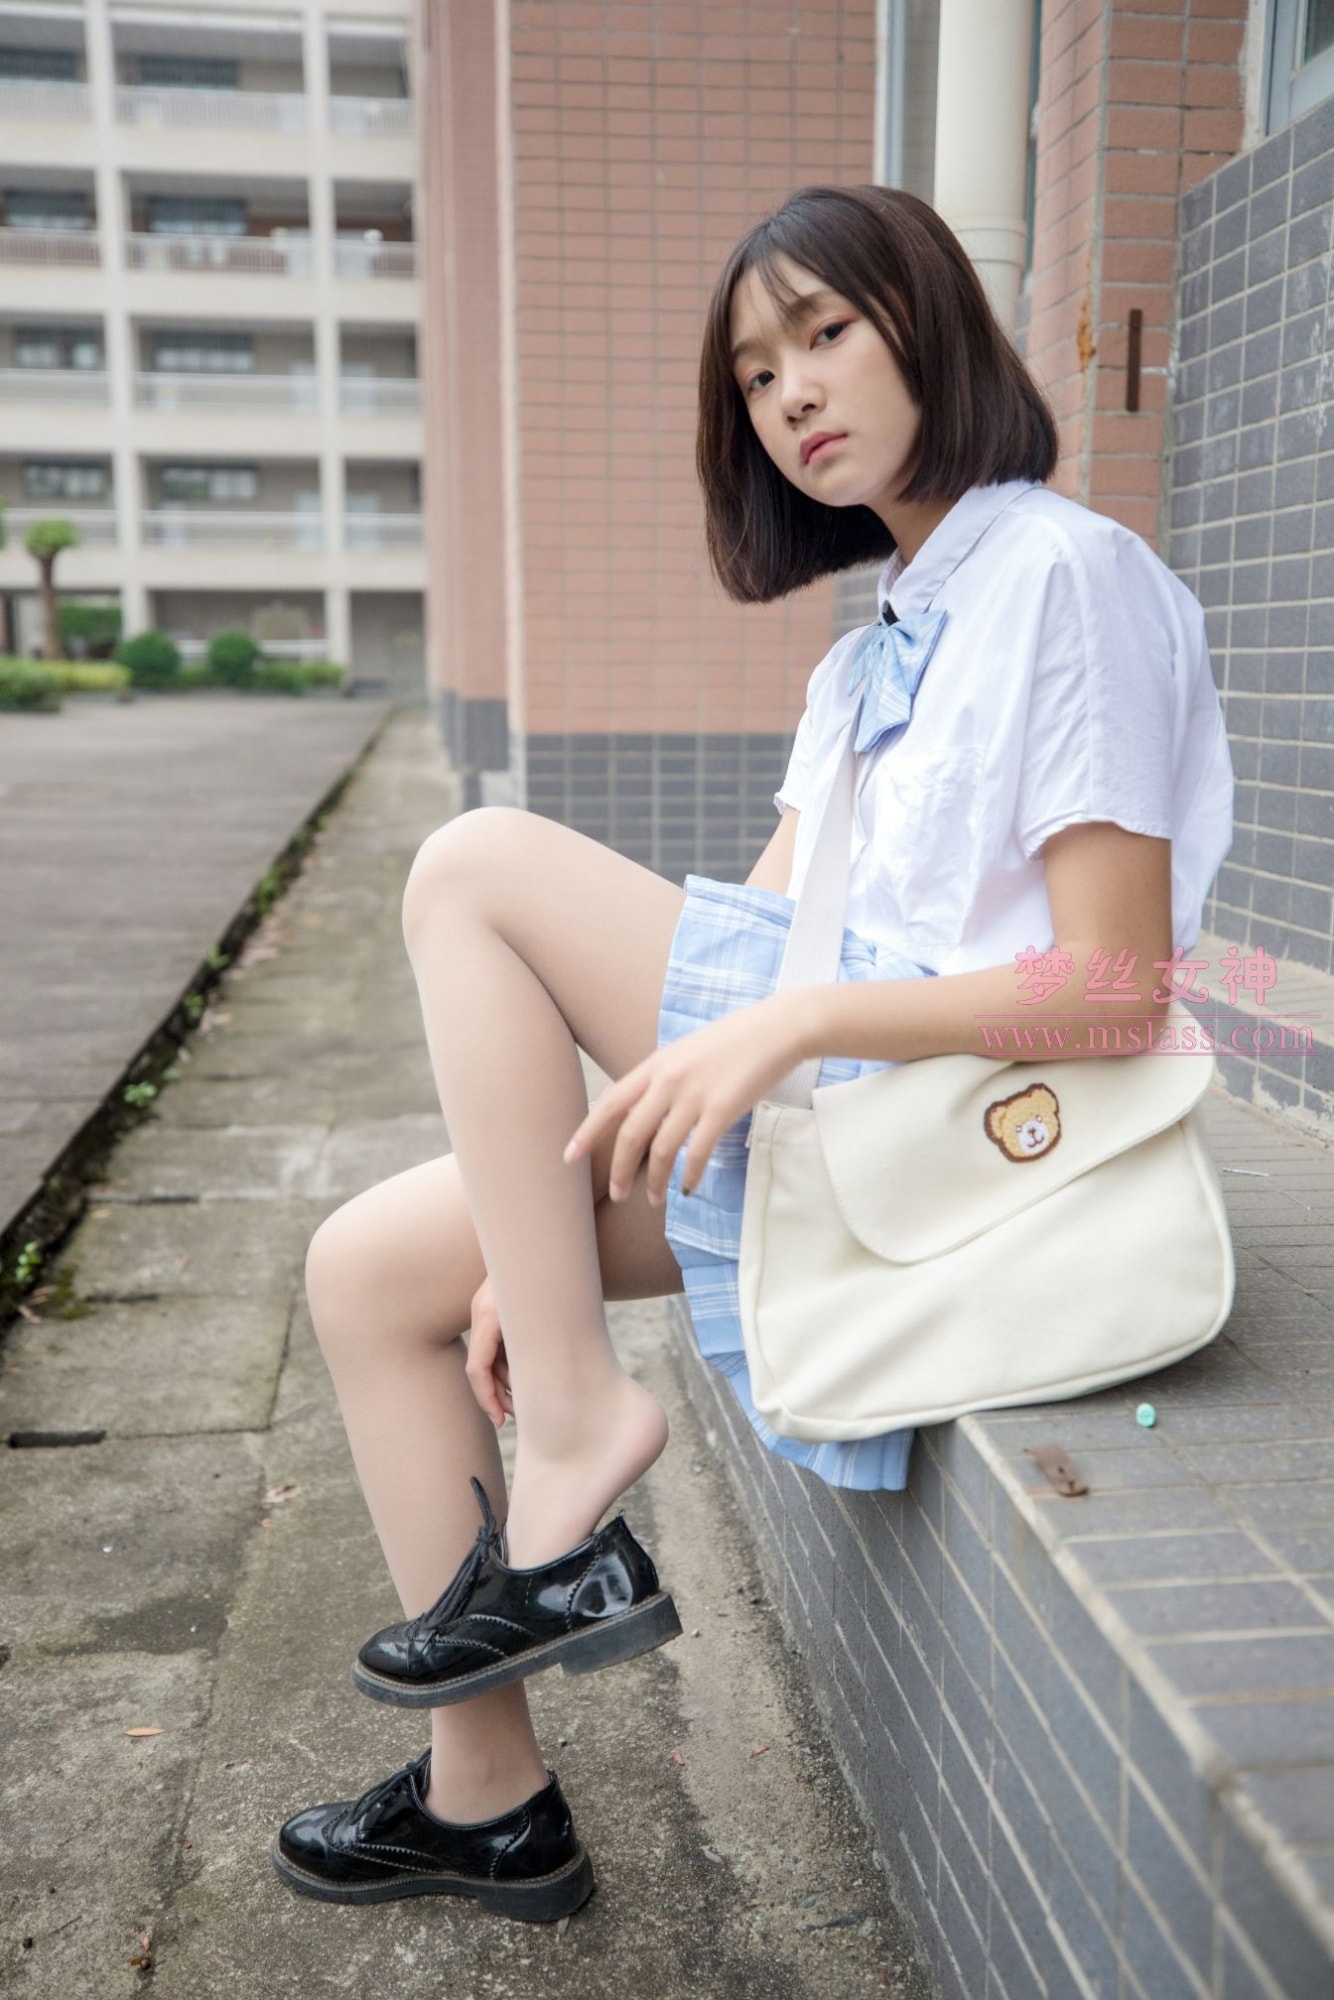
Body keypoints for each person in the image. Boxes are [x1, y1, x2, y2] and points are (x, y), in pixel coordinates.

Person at [270, 183, 1235, 1921]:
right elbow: (750, 957)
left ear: (929, 322)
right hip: (841, 1107)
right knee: (366, 1271)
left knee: (473, 866)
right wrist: (531, 1241)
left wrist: (800, 1019)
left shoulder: (1065, 576)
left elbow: (1113, 986)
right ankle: (487, 1798)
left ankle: (579, 1430)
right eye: (753, 374)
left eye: (823, 333)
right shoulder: (865, 659)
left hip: (975, 1126)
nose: (790, 392)